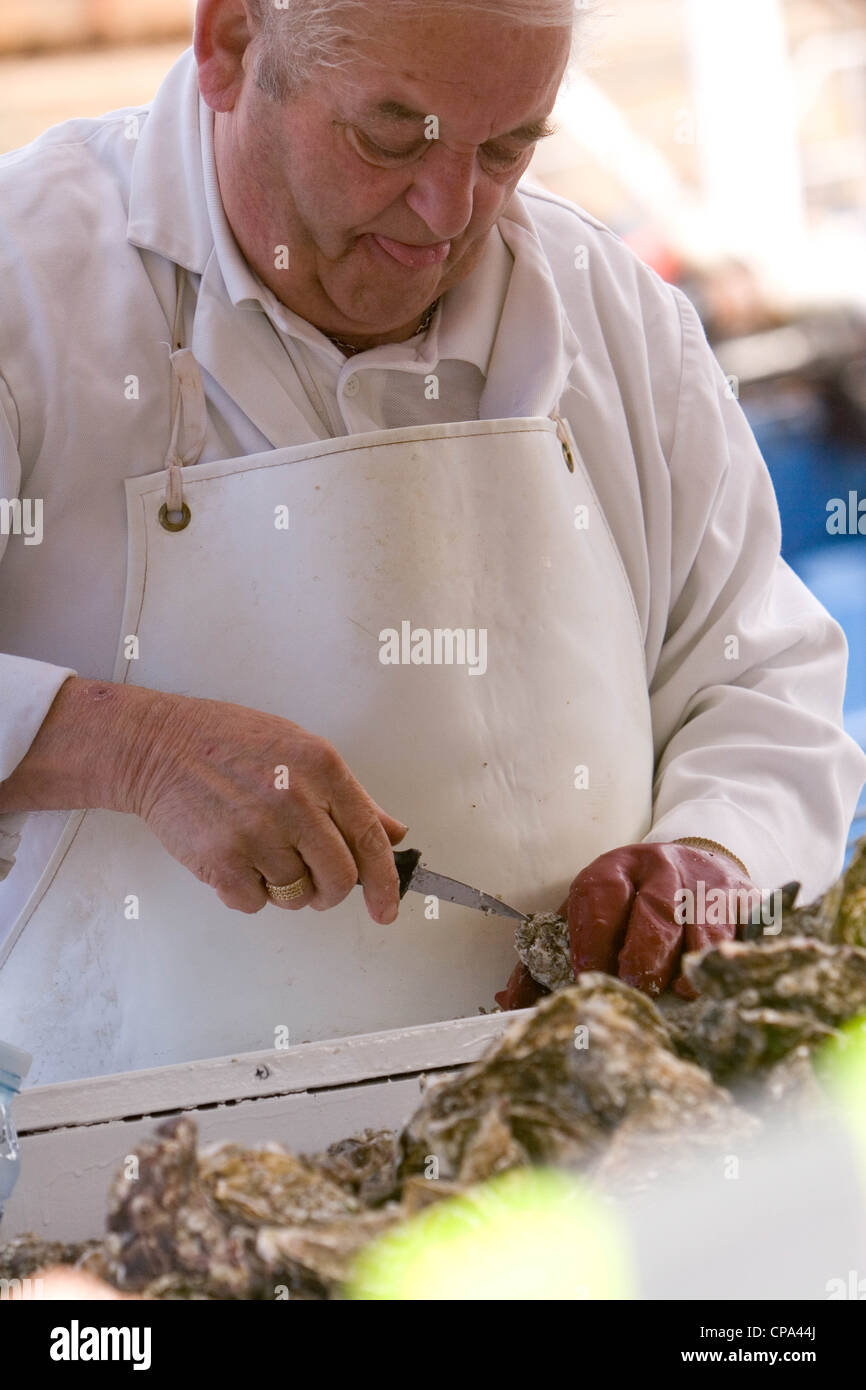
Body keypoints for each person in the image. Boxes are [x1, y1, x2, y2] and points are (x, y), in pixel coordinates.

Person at [0, 0, 863, 1084]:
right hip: (110, 1177)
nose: (446, 211)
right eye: (388, 135)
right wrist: (125, 745)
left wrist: (714, 851)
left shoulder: (610, 310)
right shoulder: (25, 282)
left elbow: (757, 672)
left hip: (581, 1147)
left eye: (505, 146)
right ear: (228, 46)